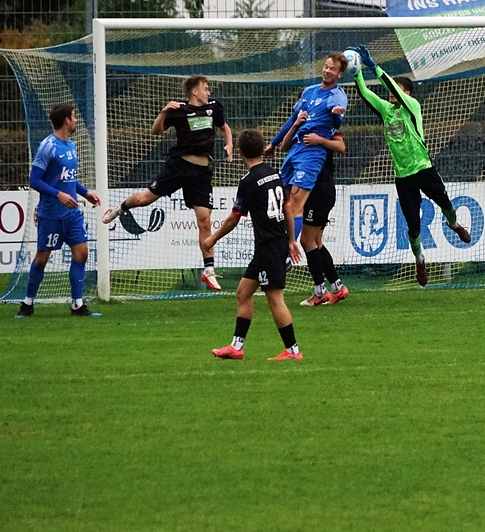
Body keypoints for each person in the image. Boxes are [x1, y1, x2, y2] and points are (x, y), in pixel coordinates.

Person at [349, 45, 471, 287]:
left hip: (424, 169)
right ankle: (420, 259)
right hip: (403, 177)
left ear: (406, 93)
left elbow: (391, 86)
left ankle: (454, 224)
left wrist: (375, 67)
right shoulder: (386, 111)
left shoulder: (412, 106)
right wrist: (357, 72)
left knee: (446, 205)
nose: (391, 93)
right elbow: (365, 93)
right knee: (413, 227)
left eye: (396, 89)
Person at [102, 75, 232, 291]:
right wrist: (163, 112)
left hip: (201, 173)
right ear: (194, 91)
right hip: (178, 166)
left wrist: (229, 144)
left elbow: (225, 127)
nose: (208, 92)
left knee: (205, 221)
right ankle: (120, 208)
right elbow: (156, 131)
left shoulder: (213, 108)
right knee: (144, 200)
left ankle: (209, 270)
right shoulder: (179, 110)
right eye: (205, 88)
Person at [204, 128, 304, 361]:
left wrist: (213, 238)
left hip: (270, 246)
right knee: (243, 293)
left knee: (274, 298)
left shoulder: (249, 181)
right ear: (262, 149)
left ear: (239, 152)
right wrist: (291, 240)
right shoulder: (274, 174)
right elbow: (287, 207)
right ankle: (236, 347)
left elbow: (234, 217)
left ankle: (293, 351)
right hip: (272, 245)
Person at [15, 104, 103, 318]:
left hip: (71, 214)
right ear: (66, 120)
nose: (76, 120)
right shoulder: (48, 147)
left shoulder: (71, 146)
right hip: (51, 214)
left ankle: (77, 305)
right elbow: (34, 180)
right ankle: (27, 303)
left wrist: (85, 193)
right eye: (74, 116)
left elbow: (68, 179)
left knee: (82, 252)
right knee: (41, 259)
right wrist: (59, 195)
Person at [263, 53, 348, 240]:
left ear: (340, 74)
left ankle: (289, 250)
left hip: (312, 152)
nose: (327, 71)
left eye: (332, 69)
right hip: (295, 148)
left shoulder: (337, 96)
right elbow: (292, 120)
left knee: (295, 204)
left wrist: (336, 115)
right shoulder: (309, 91)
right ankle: (283, 244)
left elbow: (338, 122)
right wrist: (273, 143)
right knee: (284, 203)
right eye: (326, 66)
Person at [280, 124, 350, 307]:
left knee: (307, 241)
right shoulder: (302, 125)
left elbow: (341, 146)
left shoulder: (325, 127)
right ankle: (337, 287)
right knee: (316, 242)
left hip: (320, 190)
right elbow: (284, 145)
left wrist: (320, 140)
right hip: (316, 191)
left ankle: (321, 291)